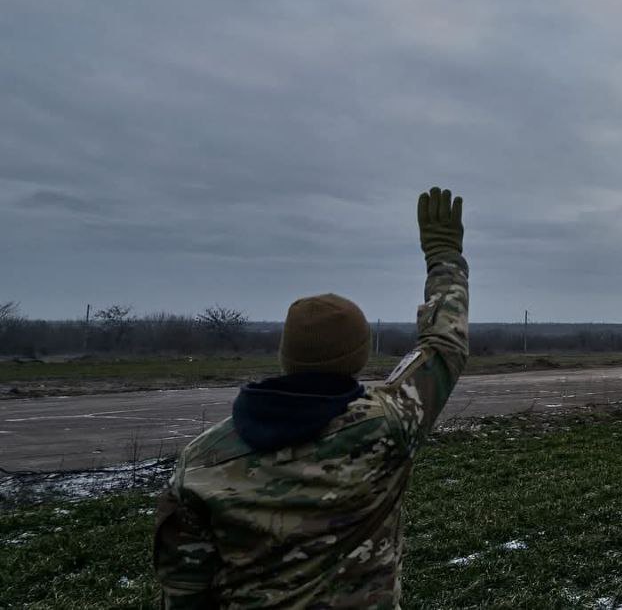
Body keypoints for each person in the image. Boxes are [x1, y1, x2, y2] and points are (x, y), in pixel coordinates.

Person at [154, 187, 469, 609]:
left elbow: (184, 591)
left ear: (285, 356)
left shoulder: (200, 462)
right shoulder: (387, 426)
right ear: (357, 359)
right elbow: (443, 346)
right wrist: (444, 257)